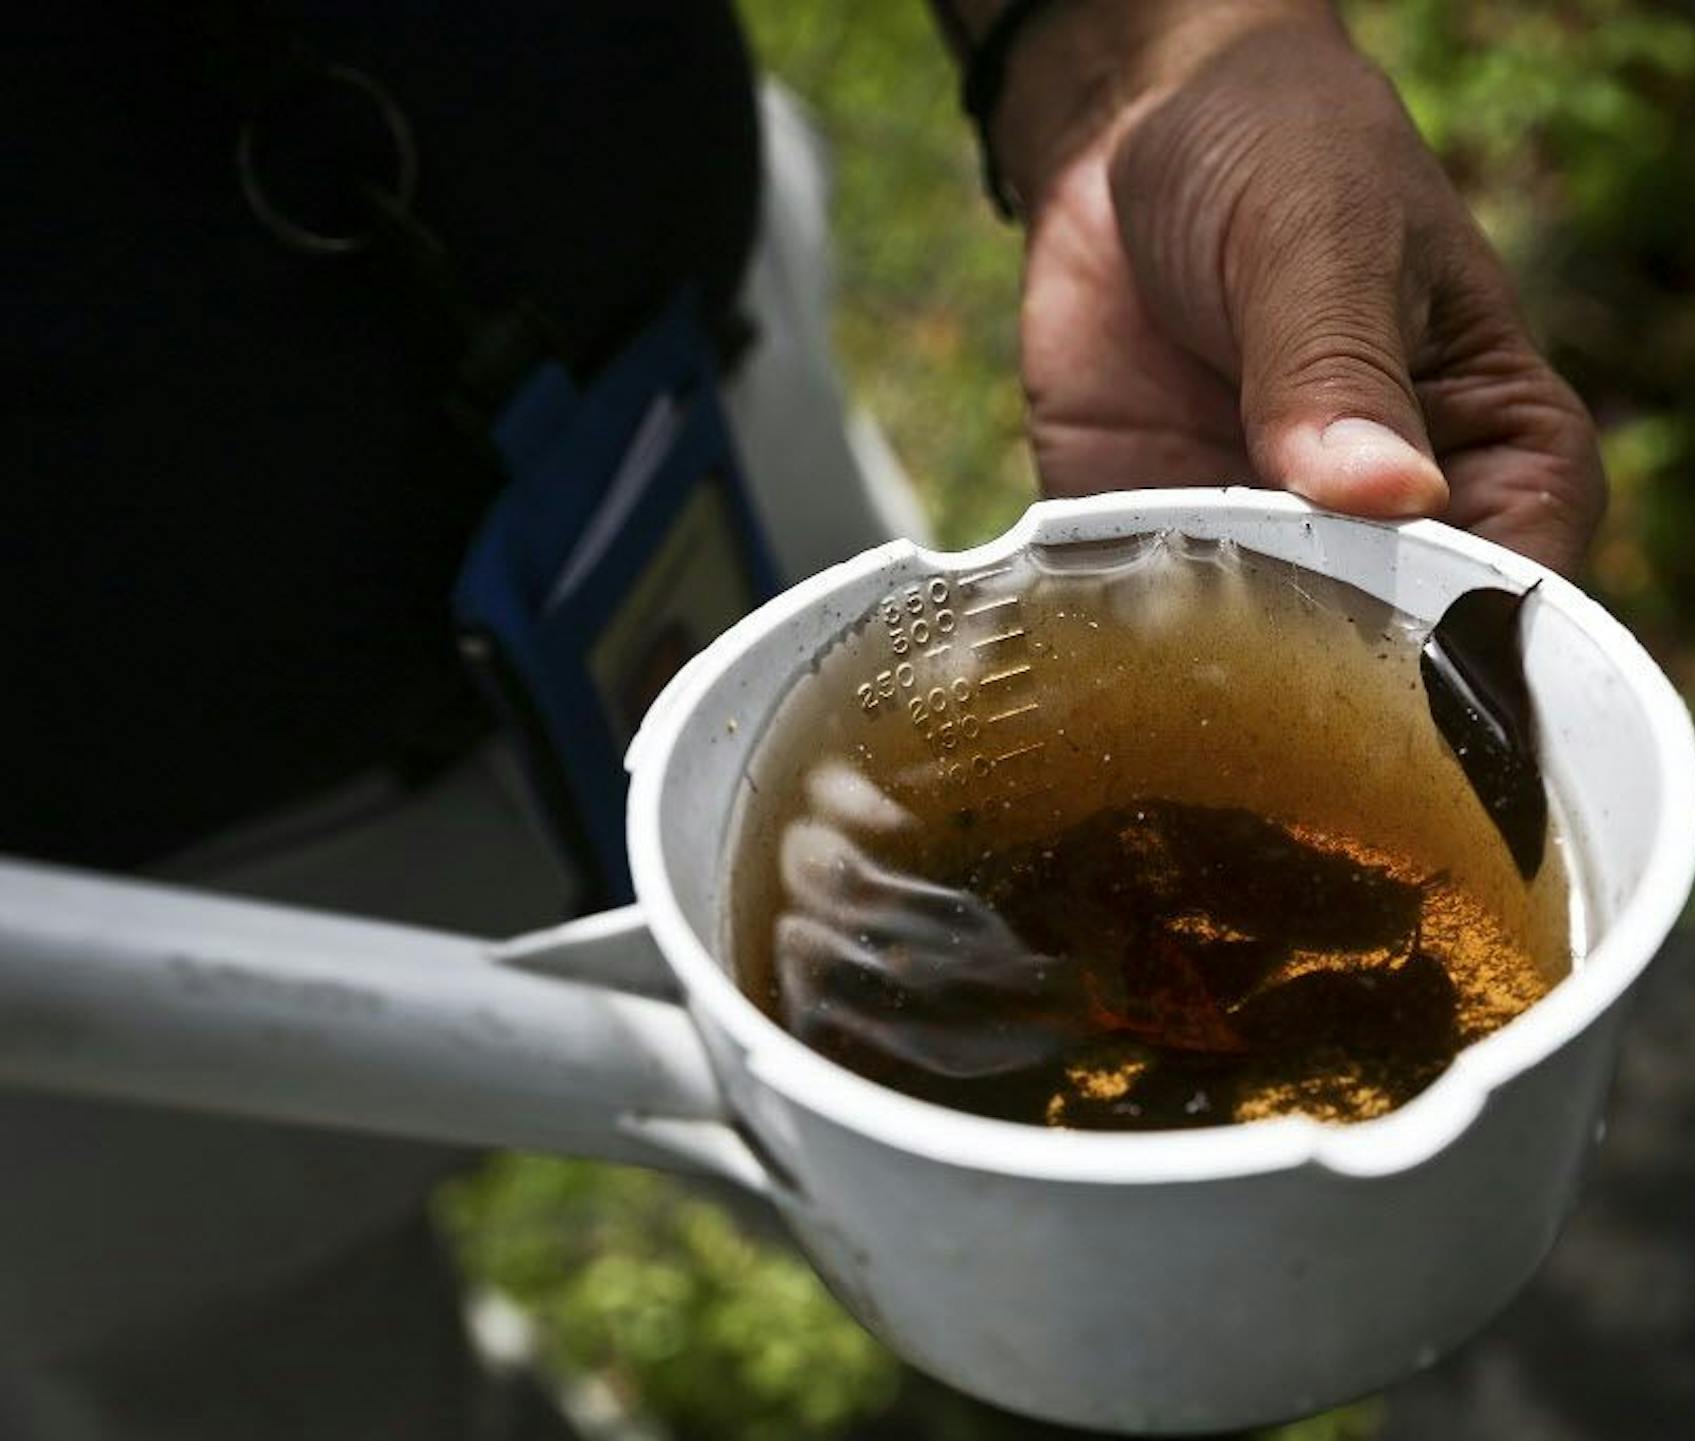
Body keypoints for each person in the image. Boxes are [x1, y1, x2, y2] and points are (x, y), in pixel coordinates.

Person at [1, 1, 1604, 1436]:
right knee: (273, 1383)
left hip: (673, 461)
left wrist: (1135, 54)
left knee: (1025, 1252)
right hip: (81, 953)